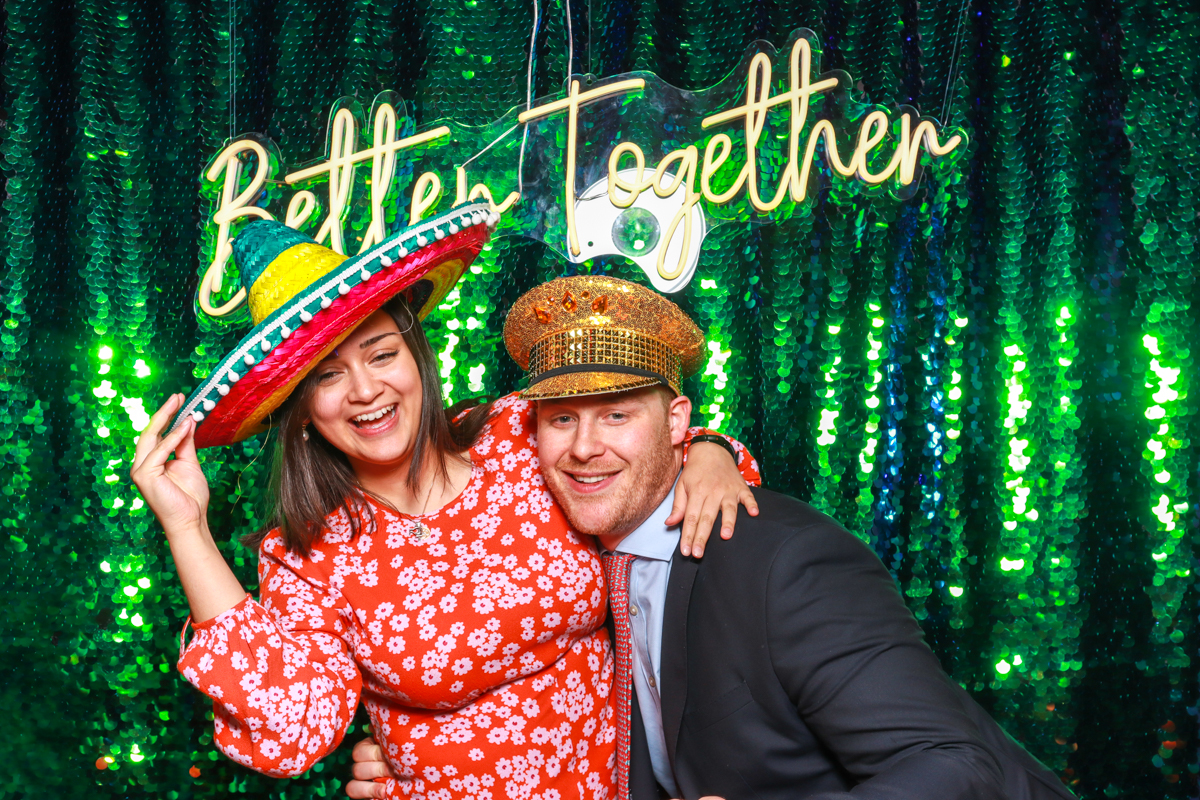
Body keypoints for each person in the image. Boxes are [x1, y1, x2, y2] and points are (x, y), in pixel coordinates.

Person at [350, 275, 1075, 800]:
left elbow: (955, 765)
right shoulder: (587, 562)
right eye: (562, 419)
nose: (583, 448)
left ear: (675, 425)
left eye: (616, 415)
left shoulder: (782, 560)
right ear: (528, 435)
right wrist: (419, 756)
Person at [131, 206, 761, 798]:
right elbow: (289, 730)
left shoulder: (516, 435)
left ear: (418, 357)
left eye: (382, 354)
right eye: (327, 375)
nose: (365, 390)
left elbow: (644, 463)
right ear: (300, 411)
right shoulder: (312, 552)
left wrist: (710, 453)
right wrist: (188, 528)